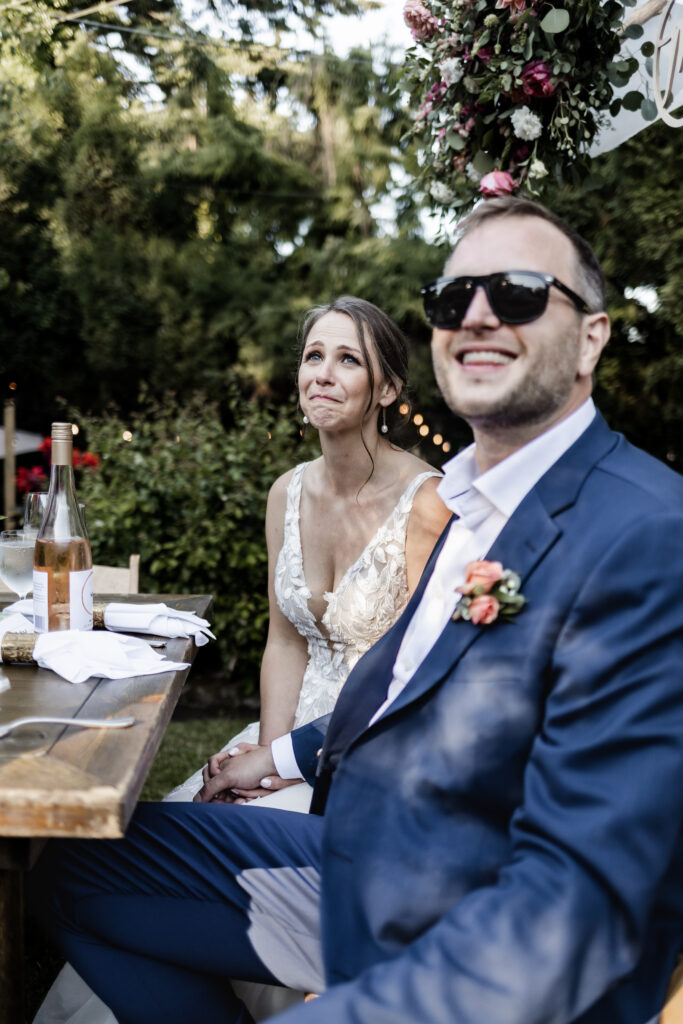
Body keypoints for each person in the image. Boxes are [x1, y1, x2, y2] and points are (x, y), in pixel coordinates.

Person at [30, 198, 683, 1024]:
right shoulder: (482, 504)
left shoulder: (647, 532)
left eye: (518, 292)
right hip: (358, 846)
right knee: (69, 867)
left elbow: (583, 897)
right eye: (452, 298)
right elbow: (407, 686)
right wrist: (279, 759)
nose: (477, 315)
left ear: (591, 337)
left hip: (455, 912)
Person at [31, 294, 451, 1024]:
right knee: (123, 845)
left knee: (117, 875)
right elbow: (285, 639)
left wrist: (287, 760)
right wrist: (263, 745)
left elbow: (418, 686)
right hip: (282, 735)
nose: (321, 373)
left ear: (387, 389)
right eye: (312, 356)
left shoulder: (429, 504)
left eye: (347, 358)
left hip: (372, 761)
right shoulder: (286, 492)